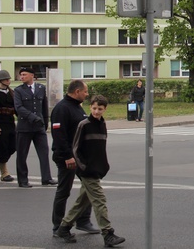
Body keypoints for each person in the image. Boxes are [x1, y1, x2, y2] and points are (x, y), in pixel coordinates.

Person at [54, 95, 125, 247]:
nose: (96, 111)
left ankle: (64, 227)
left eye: (100, 109)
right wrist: (83, 167)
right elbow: (75, 148)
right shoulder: (84, 124)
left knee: (82, 201)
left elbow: (100, 149)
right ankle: (107, 233)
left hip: (97, 169)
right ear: (90, 107)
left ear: (105, 109)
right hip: (86, 170)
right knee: (100, 200)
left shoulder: (102, 124)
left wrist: (104, 165)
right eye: (94, 108)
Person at [50, 80, 100, 237]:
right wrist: (67, 156)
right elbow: (58, 135)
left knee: (88, 189)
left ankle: (83, 221)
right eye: (85, 92)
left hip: (80, 157)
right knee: (63, 191)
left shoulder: (76, 106)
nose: (87, 94)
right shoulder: (62, 108)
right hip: (67, 158)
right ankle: (58, 226)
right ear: (77, 91)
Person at [13, 67, 56, 188]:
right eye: (20, 75)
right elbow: (19, 108)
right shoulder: (18, 90)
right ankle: (23, 180)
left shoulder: (40, 88)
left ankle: (46, 178)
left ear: (32, 75)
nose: (22, 77)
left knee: (44, 152)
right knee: (22, 155)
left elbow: (44, 106)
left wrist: (45, 122)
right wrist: (33, 117)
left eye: (24, 74)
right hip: (24, 127)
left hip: (39, 127)